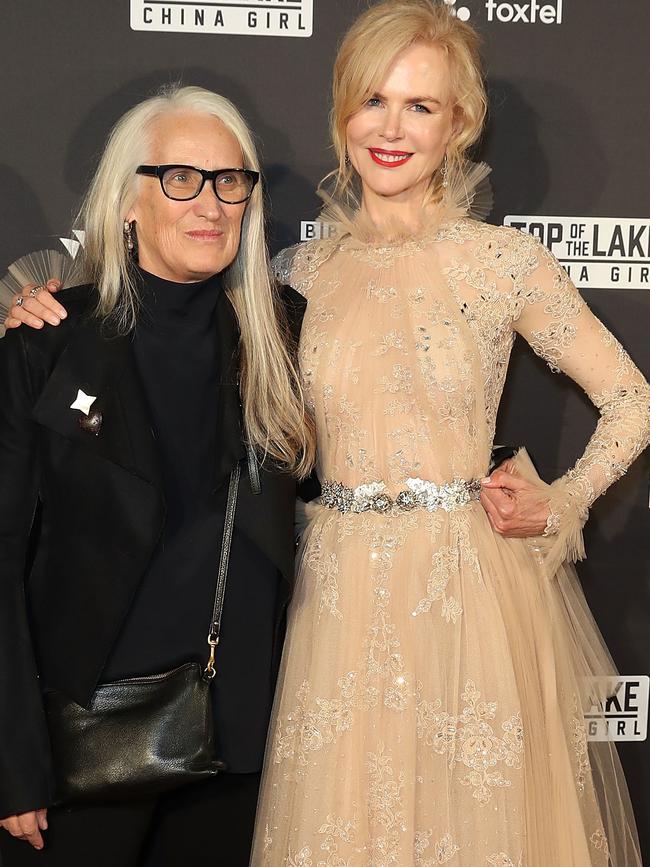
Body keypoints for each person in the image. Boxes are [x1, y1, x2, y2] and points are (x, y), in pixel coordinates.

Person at [244, 2, 648, 865]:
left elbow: (631, 398)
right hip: (338, 592)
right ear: (342, 112)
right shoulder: (293, 273)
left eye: (420, 107)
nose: (391, 129)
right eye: (373, 101)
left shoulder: (502, 262)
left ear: (457, 123)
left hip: (470, 589)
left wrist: (566, 497)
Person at [0, 84, 315, 867]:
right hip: (83, 752)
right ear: (127, 200)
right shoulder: (44, 344)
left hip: (239, 743)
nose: (209, 203)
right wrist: (13, 765)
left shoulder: (284, 331)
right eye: (179, 177)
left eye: (229, 180)